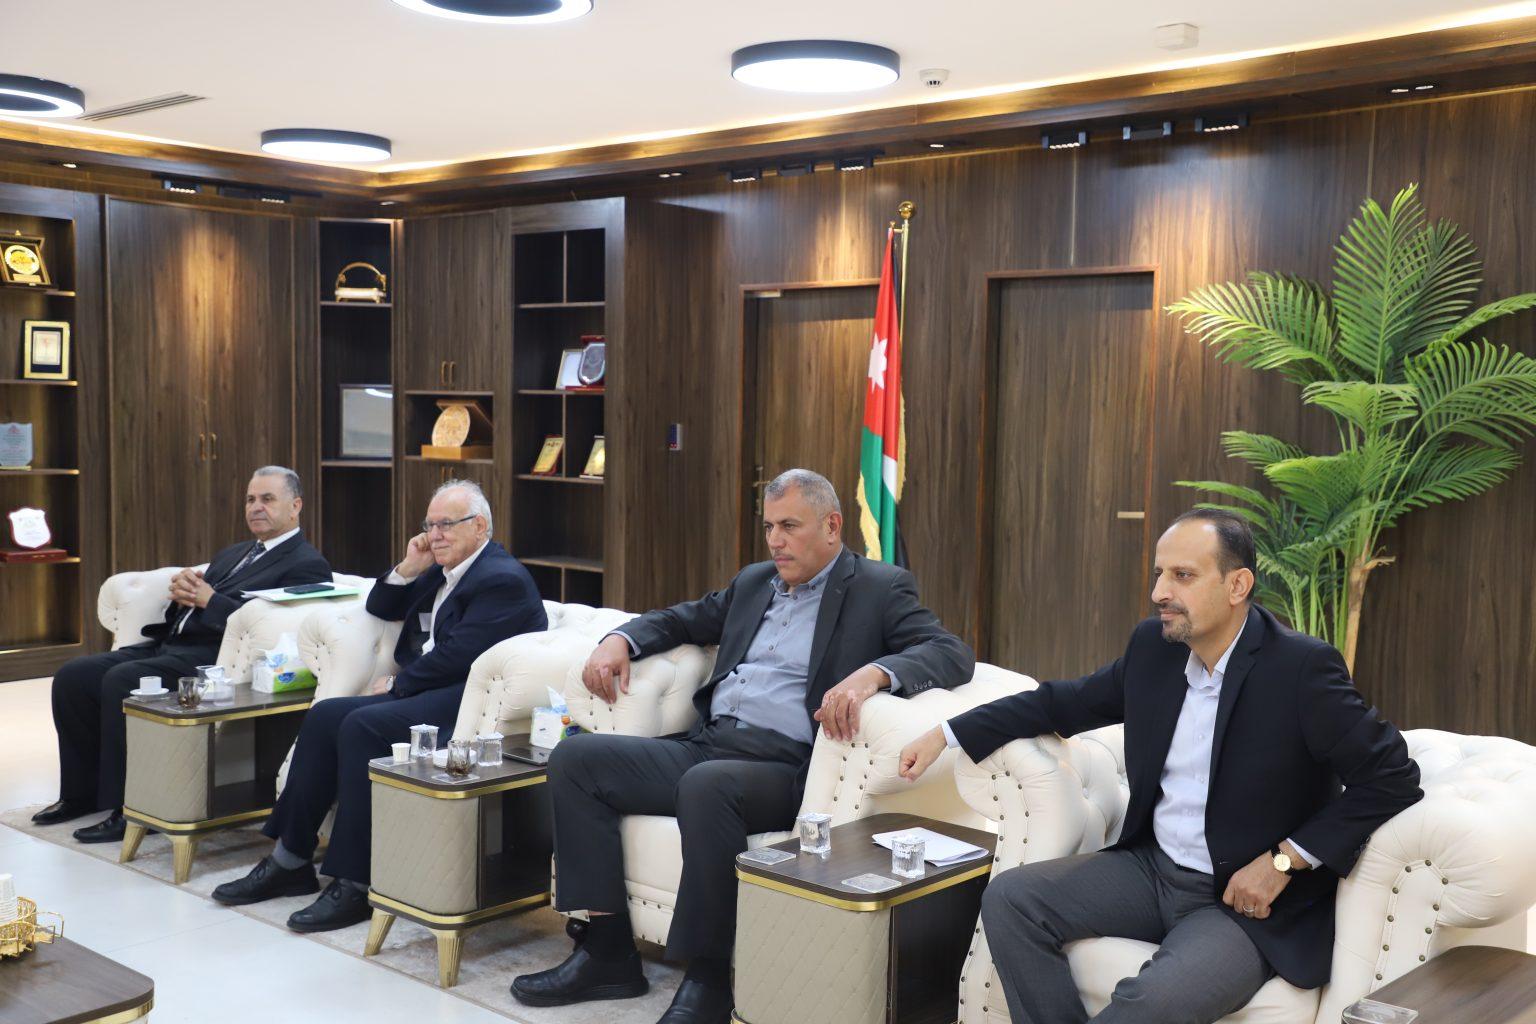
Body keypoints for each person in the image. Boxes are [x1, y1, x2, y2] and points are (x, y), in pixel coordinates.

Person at [898, 508, 1423, 1024]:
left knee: (1152, 1003)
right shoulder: (1155, 649)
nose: (1159, 592)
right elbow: (1063, 702)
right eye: (1159, 573)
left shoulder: (1301, 669)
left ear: (1238, 585)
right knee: (1011, 899)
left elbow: (1391, 778)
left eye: (1183, 576)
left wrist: (1283, 862)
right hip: (1151, 871)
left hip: (1241, 908)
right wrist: (946, 733)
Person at [511, 468, 975, 1024]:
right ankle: (607, 951)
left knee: (707, 786)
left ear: (832, 526)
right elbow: (682, 619)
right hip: (708, 746)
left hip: (783, 766)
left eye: (789, 526)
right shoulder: (755, 582)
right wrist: (619, 639)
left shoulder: (878, 587)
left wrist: (873, 674)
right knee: (577, 760)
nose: (775, 541)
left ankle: (709, 979)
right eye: (769, 527)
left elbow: (950, 652)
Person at [211, 478, 548, 932]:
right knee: (327, 714)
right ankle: (290, 859)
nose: (435, 535)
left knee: (361, 726)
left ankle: (356, 882)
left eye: (447, 525)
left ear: (480, 526)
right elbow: (382, 603)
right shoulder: (444, 567)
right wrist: (409, 567)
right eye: (430, 525)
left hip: (466, 701)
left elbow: (460, 656)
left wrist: (398, 684)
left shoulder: (500, 578)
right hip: (432, 690)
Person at [39, 466, 332, 844]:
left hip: (214, 660)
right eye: (250, 499)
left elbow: (277, 625)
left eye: (267, 499)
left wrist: (209, 600)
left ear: (295, 506)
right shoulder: (235, 553)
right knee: (74, 675)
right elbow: (198, 598)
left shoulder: (307, 564)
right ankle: (81, 793)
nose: (255, 507)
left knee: (121, 681)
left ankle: (130, 808)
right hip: (171, 645)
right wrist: (183, 592)